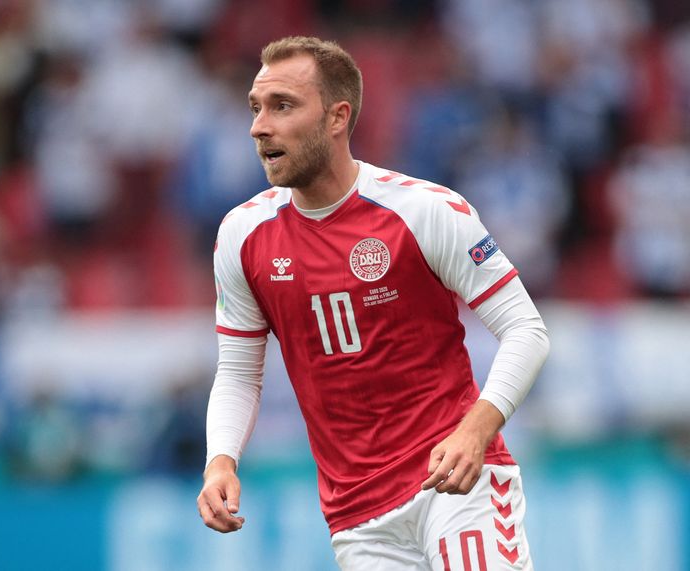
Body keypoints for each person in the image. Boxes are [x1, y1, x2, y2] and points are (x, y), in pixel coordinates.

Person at [197, 36, 550, 570]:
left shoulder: (423, 211)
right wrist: (220, 461)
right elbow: (240, 372)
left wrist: (476, 430)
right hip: (357, 519)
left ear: (337, 117)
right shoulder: (243, 235)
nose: (259, 126)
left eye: (282, 106)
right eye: (255, 108)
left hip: (456, 485)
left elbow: (526, 329)